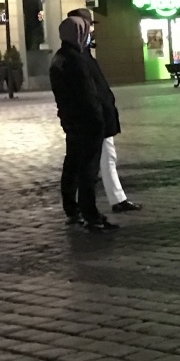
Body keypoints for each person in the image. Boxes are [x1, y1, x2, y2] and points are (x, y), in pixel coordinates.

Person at [68, 7, 139, 213]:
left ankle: (114, 199)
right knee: (92, 162)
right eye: (88, 26)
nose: (91, 31)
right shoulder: (78, 56)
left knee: (103, 158)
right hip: (93, 118)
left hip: (97, 116)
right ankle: (87, 208)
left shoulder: (84, 54)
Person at [48, 17, 117, 231]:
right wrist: (99, 121)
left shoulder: (59, 58)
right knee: (88, 169)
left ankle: (73, 209)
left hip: (71, 121)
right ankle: (91, 215)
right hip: (87, 122)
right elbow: (87, 95)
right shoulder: (76, 60)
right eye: (86, 31)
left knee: (72, 165)